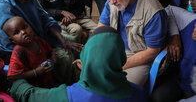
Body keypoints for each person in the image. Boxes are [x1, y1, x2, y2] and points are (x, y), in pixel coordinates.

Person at [10, 26, 147, 102]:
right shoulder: (139, 93)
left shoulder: (71, 96)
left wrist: (18, 83)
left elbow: (29, 95)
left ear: (86, 55)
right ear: (121, 58)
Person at [98, 0, 167, 86]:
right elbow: (100, 30)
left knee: (120, 90)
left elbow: (152, 52)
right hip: (116, 49)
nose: (111, 2)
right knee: (96, 80)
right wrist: (92, 54)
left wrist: (120, 66)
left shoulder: (153, 12)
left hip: (139, 58)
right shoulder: (112, 3)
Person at [150, 5, 196, 102]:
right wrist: (175, 36)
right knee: (156, 98)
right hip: (179, 80)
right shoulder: (191, 21)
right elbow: (168, 10)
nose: (195, 31)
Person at [3, 16, 55, 88]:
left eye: (24, 27)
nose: (24, 32)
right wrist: (35, 72)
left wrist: (53, 57)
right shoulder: (19, 52)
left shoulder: (38, 40)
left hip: (48, 79)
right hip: (35, 86)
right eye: (17, 32)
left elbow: (49, 51)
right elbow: (12, 76)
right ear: (12, 40)